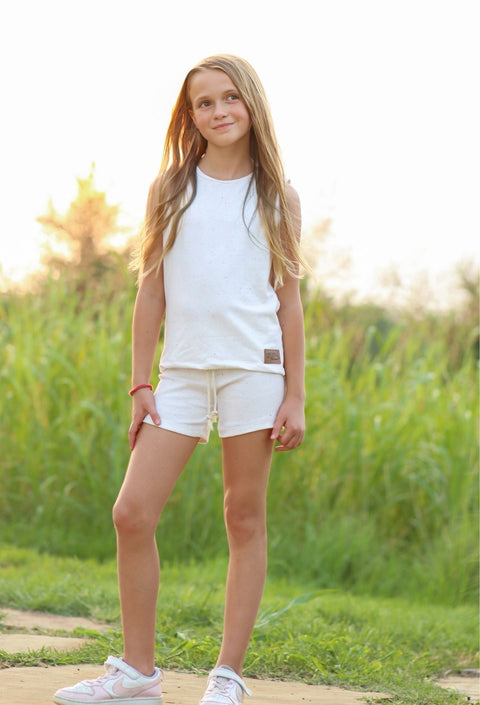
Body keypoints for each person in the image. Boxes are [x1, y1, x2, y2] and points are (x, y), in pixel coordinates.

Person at [53, 53, 306, 705]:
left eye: (230, 97)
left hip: (255, 370)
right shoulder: (170, 189)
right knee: (131, 511)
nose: (219, 111)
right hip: (182, 373)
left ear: (251, 103)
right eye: (204, 102)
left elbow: (289, 301)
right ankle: (138, 672)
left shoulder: (278, 196)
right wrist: (141, 384)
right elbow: (151, 291)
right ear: (189, 116)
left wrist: (296, 395)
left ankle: (227, 676)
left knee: (243, 515)